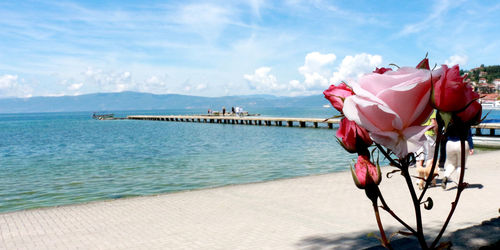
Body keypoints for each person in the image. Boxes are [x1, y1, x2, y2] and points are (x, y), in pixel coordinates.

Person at [441, 121, 474, 189]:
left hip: (450, 143)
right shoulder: (465, 120)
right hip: (462, 143)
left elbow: (445, 134)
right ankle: (459, 183)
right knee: (460, 165)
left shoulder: (449, 121)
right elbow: (468, 135)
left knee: (451, 164)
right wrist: (471, 146)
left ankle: (446, 176)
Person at [417, 110, 438, 189]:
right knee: (430, 158)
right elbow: (433, 123)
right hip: (429, 135)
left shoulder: (419, 110)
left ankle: (421, 179)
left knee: (420, 158)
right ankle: (427, 179)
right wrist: (438, 134)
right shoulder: (431, 110)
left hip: (419, 135)